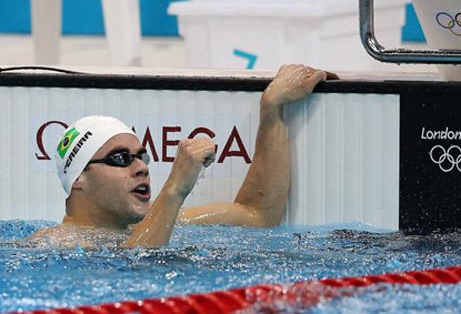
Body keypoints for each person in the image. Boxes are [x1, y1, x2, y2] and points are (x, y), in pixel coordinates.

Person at [28, 64, 337, 248]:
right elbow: (134, 266)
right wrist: (176, 187)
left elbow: (258, 215)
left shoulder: (165, 224)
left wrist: (272, 110)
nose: (140, 168)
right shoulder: (54, 244)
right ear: (79, 178)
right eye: (121, 158)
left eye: (142, 157)